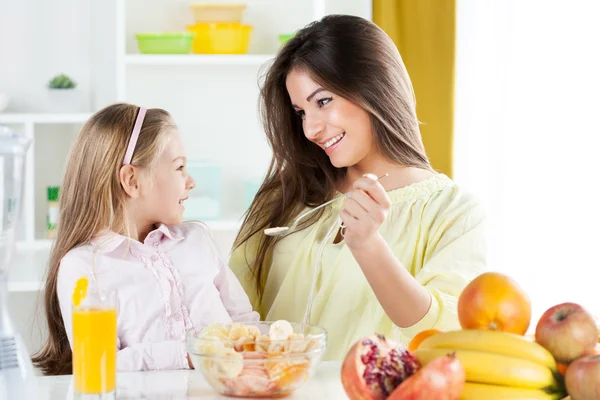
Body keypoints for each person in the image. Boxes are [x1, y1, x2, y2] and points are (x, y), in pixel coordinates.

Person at [230, 15, 487, 361]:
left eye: (322, 102)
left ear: (373, 85)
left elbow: (439, 334)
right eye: (300, 112)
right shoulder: (284, 195)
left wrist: (367, 245)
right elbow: (229, 310)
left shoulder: (454, 212)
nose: (311, 129)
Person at [32, 103, 259, 375]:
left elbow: (246, 323)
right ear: (132, 180)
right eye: (179, 168)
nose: (191, 181)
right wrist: (187, 354)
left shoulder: (198, 240)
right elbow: (99, 364)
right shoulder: (82, 267)